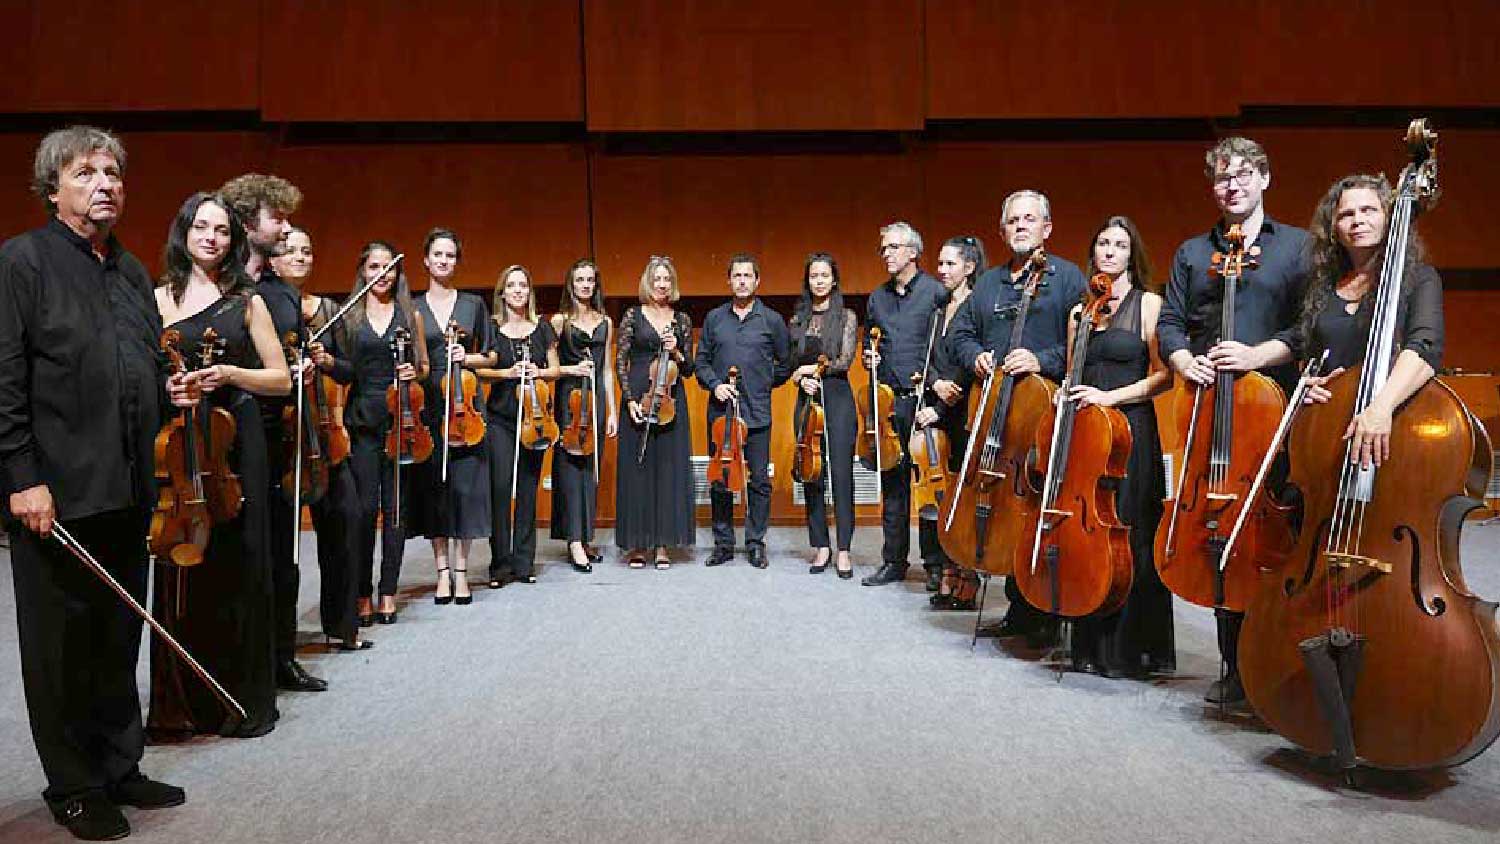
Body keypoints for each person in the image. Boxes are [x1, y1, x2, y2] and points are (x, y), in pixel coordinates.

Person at [0, 125, 186, 841]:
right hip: (57, 491)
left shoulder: (132, 271)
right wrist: (22, 478)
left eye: (114, 172)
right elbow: (6, 378)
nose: (106, 182)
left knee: (115, 635)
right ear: (54, 188)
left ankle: (118, 764)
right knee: (60, 646)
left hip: (131, 484)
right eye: (87, 172)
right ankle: (73, 783)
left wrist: (176, 391)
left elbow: (137, 366)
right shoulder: (22, 261)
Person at [1156, 137, 1309, 705]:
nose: (1233, 185)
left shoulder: (1298, 247)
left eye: (1244, 174)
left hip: (1274, 409)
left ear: (1265, 178)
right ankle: (1233, 666)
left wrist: (1256, 355)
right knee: (1216, 532)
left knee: (1276, 534)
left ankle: (1282, 661)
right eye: (1222, 178)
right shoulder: (1194, 253)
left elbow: (1308, 329)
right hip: (1207, 411)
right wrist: (1182, 359)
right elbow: (1170, 321)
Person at [147, 192, 292, 739]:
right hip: (180, 444)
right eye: (201, 227)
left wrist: (231, 374)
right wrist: (169, 387)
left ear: (234, 241)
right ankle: (179, 704)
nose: (211, 237)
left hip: (235, 443)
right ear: (183, 232)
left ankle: (241, 698)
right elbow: (145, 372)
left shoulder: (245, 301)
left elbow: (280, 378)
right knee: (180, 560)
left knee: (238, 557)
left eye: (222, 230)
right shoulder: (157, 299)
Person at [949, 190, 1087, 644]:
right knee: (1010, 496)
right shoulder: (988, 283)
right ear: (1002, 229)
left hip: (1042, 413)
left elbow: (1084, 343)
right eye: (1013, 220)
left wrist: (1043, 359)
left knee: (1036, 500)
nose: (1021, 226)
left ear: (1047, 227)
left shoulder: (1067, 278)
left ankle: (1044, 607)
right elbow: (961, 333)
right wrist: (976, 358)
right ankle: (1018, 606)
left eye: (1030, 219)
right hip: (994, 415)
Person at [218, 173, 327, 693]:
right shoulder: (226, 286)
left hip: (283, 436)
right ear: (247, 223)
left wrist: (303, 364)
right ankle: (246, 660)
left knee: (285, 554)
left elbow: (292, 352)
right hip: (234, 438)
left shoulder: (283, 293)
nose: (285, 226)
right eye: (276, 217)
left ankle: (282, 656)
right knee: (244, 555)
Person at [1065, 216, 1175, 677]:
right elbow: (1073, 371)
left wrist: (1111, 397)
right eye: (1103, 244)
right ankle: (1089, 640)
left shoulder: (1149, 305)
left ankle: (1131, 648)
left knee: (1129, 530)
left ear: (1133, 255)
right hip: (1088, 433)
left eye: (1120, 245)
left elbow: (1166, 376)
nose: (1110, 252)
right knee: (1089, 527)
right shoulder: (1079, 312)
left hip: (1130, 430)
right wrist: (1065, 392)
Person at [1289, 173, 1444, 452]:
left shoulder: (1418, 278)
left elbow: (1424, 349)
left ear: (1388, 218)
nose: (1357, 220)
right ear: (1334, 228)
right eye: (1346, 214)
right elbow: (1308, 355)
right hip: (1329, 424)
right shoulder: (1320, 288)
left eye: (1369, 210)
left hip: (1395, 419)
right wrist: (1306, 386)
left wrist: (1380, 408)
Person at [270, 226, 368, 650]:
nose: (301, 257)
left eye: (307, 251)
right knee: (282, 544)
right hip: (285, 437)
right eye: (291, 250)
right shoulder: (265, 307)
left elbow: (351, 371)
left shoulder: (327, 309)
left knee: (346, 523)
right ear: (271, 260)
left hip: (328, 436)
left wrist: (326, 361)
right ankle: (281, 639)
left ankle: (342, 626)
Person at [337, 241, 429, 626]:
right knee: (362, 511)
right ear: (362, 269)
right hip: (361, 419)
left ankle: (387, 591)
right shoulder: (348, 317)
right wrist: (338, 421)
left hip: (400, 422)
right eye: (374, 266)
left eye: (389, 267)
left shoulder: (411, 314)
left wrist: (414, 372)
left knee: (395, 510)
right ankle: (360, 593)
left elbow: (424, 365)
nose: (382, 274)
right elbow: (341, 374)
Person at [410, 228, 495, 605]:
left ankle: (462, 572)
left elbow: (492, 355)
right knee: (437, 494)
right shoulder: (412, 308)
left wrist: (469, 358)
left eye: (450, 255)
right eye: (437, 255)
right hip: (429, 410)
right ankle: (441, 572)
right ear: (426, 260)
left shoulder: (474, 305)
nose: (444, 261)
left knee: (467, 491)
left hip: (467, 411)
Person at [862, 222, 948, 589]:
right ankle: (894, 561)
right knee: (892, 483)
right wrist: (869, 358)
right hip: (889, 401)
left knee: (930, 487)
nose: (887, 254)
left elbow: (945, 348)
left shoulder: (936, 293)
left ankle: (934, 564)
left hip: (926, 403)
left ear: (913, 252)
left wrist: (938, 399)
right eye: (883, 249)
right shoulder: (877, 298)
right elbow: (871, 340)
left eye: (894, 247)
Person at [695, 253, 792, 569]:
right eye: (736, 276)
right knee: (721, 479)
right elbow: (701, 362)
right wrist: (715, 385)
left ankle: (755, 543)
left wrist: (763, 383)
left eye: (747, 276)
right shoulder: (714, 319)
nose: (741, 281)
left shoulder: (772, 320)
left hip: (757, 412)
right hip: (721, 415)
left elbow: (785, 363)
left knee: (759, 481)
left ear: (757, 281)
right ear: (729, 281)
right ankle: (723, 544)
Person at [477, 265, 558, 587]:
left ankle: (524, 564)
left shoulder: (542, 328)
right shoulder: (493, 328)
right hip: (501, 419)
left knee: (527, 489)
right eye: (511, 285)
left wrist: (537, 373)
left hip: (535, 420)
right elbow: (482, 372)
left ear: (529, 291)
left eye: (523, 285)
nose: (517, 290)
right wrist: (506, 374)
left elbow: (554, 370)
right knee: (499, 490)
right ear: (503, 292)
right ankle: (499, 565)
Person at [616, 256, 696, 569]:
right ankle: (637, 544)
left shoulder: (682, 319)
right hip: (640, 393)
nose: (661, 285)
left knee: (667, 470)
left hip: (671, 398)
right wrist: (630, 400)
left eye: (666, 279)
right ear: (648, 282)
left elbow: (688, 368)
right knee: (638, 469)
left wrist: (676, 348)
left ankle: (663, 543)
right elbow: (621, 360)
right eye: (656, 279)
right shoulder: (633, 316)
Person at [787, 252, 858, 578]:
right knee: (811, 471)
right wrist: (800, 376)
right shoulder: (798, 319)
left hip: (837, 397)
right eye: (813, 275)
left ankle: (843, 549)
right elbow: (788, 363)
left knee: (841, 474)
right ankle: (822, 546)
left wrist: (812, 370)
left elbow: (844, 360)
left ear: (833, 279)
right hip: (807, 399)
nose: (819, 281)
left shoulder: (846, 317)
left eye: (824, 275)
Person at [921, 236, 983, 609]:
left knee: (963, 495)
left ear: (970, 267)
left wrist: (945, 401)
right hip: (935, 403)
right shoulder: (938, 308)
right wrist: (933, 384)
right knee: (941, 496)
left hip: (963, 410)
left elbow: (971, 360)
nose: (942, 271)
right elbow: (925, 355)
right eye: (940, 264)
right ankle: (947, 569)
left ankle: (967, 574)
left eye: (950, 264)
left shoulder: (977, 307)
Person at [549, 260, 618, 572]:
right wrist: (570, 369)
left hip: (596, 401)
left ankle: (585, 536)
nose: (586, 285)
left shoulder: (606, 321)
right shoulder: (559, 321)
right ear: (571, 284)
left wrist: (612, 410)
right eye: (580, 280)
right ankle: (573, 541)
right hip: (569, 400)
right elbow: (549, 367)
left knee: (590, 470)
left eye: (590, 280)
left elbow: (606, 370)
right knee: (569, 471)